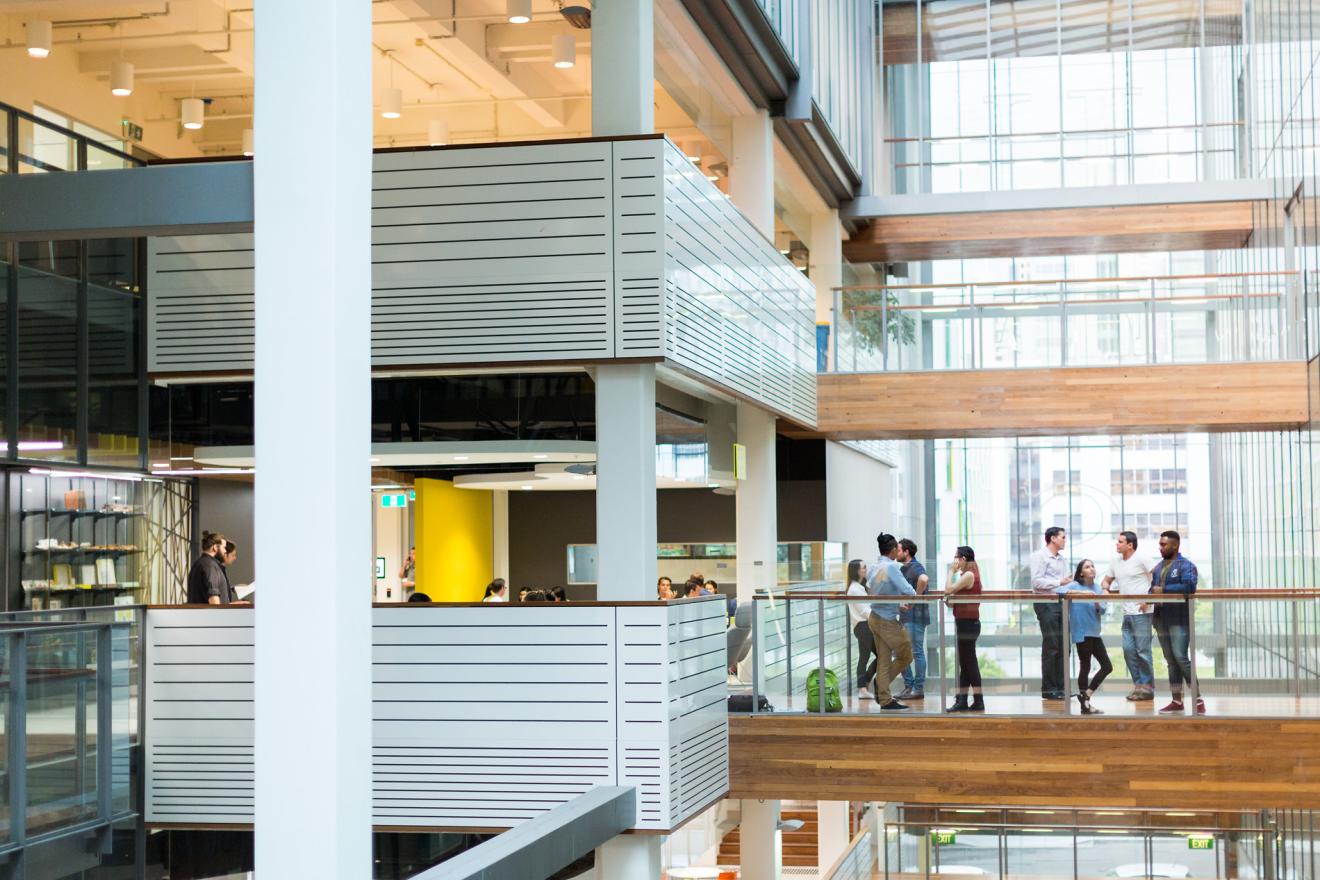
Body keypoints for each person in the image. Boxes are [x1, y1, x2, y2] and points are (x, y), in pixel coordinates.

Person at [1151, 531, 1203, 715]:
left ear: (1175, 545)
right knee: (1171, 661)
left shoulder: (1186, 565)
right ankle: (1176, 700)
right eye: (1160, 544)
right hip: (1160, 619)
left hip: (1179, 619)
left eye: (1164, 544)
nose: (1160, 547)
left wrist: (1162, 589)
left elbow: (1190, 587)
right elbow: (1152, 589)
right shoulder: (1158, 567)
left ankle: (1198, 700)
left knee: (1180, 656)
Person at [1101, 531, 1155, 701]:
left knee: (1143, 651)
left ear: (1130, 545)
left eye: (1120, 542)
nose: (1116, 544)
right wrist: (1105, 589)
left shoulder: (1142, 558)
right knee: (1128, 650)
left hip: (1142, 613)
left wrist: (1149, 599)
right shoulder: (1115, 562)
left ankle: (1147, 688)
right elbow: (1106, 580)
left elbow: (1158, 577)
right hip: (1127, 613)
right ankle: (1138, 686)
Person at [866, 533, 917, 711]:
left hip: (874, 617)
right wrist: (909, 597)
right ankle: (882, 686)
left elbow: (872, 589)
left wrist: (895, 602)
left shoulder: (873, 567)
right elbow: (909, 590)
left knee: (884, 661)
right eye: (897, 548)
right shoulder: (892, 567)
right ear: (894, 549)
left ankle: (885, 699)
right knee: (906, 655)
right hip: (887, 620)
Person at [1029, 527, 1073, 700]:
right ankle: (1049, 689)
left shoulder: (1062, 559)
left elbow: (1066, 582)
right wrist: (1059, 582)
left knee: (1064, 647)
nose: (1065, 540)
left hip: (1061, 603)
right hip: (1045, 603)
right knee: (1052, 646)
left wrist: (1067, 584)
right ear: (1053, 539)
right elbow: (1036, 582)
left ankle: (1062, 687)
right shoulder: (1039, 556)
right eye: (1063, 537)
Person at [1064, 559, 1111, 715]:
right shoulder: (1074, 586)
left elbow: (1103, 610)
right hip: (1081, 632)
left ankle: (1086, 694)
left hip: (1095, 632)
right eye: (1087, 567)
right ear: (1081, 572)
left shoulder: (1097, 588)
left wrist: (1097, 603)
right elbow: (1059, 591)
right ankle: (1085, 705)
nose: (1091, 568)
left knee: (1107, 666)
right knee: (1085, 666)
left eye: (1093, 566)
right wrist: (1083, 593)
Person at [945, 546, 984, 712]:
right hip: (966, 623)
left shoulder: (968, 575)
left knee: (969, 664)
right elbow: (951, 601)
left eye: (957, 558)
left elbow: (948, 590)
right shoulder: (970, 573)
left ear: (964, 559)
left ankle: (976, 700)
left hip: (968, 624)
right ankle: (964, 700)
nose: (955, 562)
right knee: (967, 664)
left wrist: (950, 572)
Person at [895, 539, 930, 701]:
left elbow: (923, 579)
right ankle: (909, 686)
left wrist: (914, 599)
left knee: (916, 652)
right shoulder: (903, 569)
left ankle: (917, 688)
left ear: (907, 551)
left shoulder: (916, 567)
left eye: (899, 550)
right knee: (901, 652)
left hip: (915, 617)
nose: (896, 552)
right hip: (906, 617)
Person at [845, 559, 876, 696]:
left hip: (864, 626)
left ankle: (862, 688)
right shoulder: (854, 589)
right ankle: (864, 683)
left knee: (864, 657)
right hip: (864, 627)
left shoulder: (860, 586)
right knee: (882, 655)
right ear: (857, 571)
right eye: (864, 567)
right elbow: (865, 611)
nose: (866, 569)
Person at [186, 531, 233, 605]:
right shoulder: (210, 566)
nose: (225, 551)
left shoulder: (200, 563)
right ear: (215, 547)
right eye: (224, 547)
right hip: (211, 615)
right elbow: (214, 599)